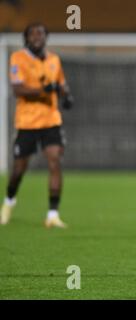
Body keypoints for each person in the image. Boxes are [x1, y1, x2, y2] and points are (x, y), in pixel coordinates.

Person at [0, 22, 74, 228]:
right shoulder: (18, 58)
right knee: (18, 170)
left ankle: (52, 214)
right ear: (26, 38)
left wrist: (66, 95)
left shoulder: (54, 60)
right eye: (32, 34)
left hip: (51, 121)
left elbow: (61, 84)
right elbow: (18, 90)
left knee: (54, 161)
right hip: (27, 122)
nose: (37, 37)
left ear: (46, 37)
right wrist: (45, 90)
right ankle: (8, 202)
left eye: (41, 33)